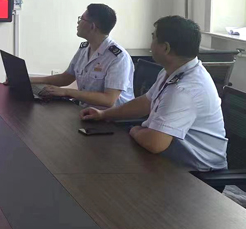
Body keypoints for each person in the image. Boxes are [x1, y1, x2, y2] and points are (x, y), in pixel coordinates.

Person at [81, 16, 228, 171]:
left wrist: (134, 130)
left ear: (166, 48)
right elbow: (145, 102)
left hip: (197, 175)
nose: (150, 44)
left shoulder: (185, 89)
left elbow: (155, 143)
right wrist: (104, 114)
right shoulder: (173, 71)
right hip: (170, 161)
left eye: (153, 37)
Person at [29, 3, 134, 108]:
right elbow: (66, 78)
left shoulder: (118, 58)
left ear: (92, 26)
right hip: (87, 109)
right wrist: (29, 80)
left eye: (81, 19)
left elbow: (109, 99)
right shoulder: (84, 49)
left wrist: (67, 92)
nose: (78, 22)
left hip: (112, 115)